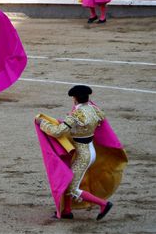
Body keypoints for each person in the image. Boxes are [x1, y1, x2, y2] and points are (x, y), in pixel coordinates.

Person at [35, 85, 118, 220]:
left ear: (74, 99)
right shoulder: (94, 109)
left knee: (73, 188)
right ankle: (67, 211)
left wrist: (42, 123)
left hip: (82, 156)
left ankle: (103, 204)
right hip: (90, 151)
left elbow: (57, 132)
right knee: (68, 180)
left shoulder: (76, 115)